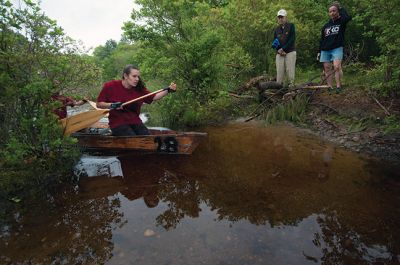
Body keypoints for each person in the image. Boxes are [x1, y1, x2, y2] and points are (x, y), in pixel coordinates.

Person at [96, 64, 176, 136]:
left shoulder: (139, 89)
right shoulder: (110, 86)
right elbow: (99, 104)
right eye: (134, 76)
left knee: (147, 138)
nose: (137, 79)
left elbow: (154, 97)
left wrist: (168, 90)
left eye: (138, 76)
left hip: (135, 121)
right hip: (118, 123)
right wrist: (112, 105)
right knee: (133, 138)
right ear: (126, 76)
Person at [317, 1, 352, 94]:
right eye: (330, 11)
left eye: (334, 10)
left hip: (337, 47)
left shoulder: (342, 21)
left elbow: (349, 17)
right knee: (327, 68)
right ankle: (330, 87)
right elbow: (322, 40)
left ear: (338, 11)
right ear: (329, 13)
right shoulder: (325, 26)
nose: (332, 13)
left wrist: (340, 7)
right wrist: (319, 51)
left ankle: (338, 86)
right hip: (325, 49)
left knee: (336, 66)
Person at [272, 9, 296, 87]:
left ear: (286, 17)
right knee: (279, 72)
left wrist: (284, 49)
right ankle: (279, 89)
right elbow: (275, 41)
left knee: (290, 72)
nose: (280, 19)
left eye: (282, 17)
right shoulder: (276, 29)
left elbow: (292, 39)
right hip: (279, 53)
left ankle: (291, 89)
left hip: (290, 52)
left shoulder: (291, 26)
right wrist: (279, 50)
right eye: (279, 17)